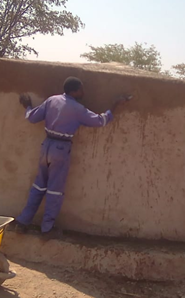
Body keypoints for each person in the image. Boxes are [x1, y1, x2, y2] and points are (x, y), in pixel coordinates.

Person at [12, 76, 132, 237]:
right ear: (74, 91)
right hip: (61, 148)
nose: (83, 92)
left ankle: (22, 222)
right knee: (55, 190)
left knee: (38, 186)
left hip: (46, 145)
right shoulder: (77, 109)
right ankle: (47, 229)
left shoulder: (52, 100)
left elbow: (33, 117)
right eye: (81, 89)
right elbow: (100, 121)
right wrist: (115, 105)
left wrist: (27, 106)